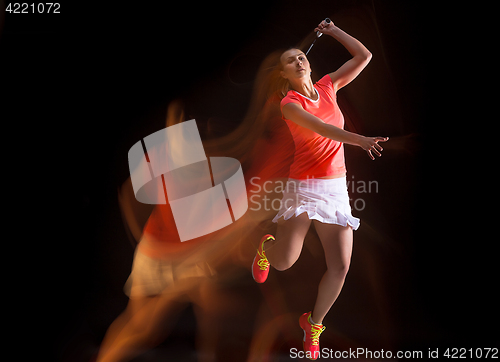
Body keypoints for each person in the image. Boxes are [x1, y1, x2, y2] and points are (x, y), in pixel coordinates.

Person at [251, 19, 389, 360]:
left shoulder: (329, 86)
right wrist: (359, 140)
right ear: (283, 73)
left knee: (341, 265)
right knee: (284, 263)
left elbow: (364, 55)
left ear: (309, 63)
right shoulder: (290, 105)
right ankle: (268, 247)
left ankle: (312, 324)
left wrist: (335, 31)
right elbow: (322, 128)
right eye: (290, 60)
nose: (298, 61)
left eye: (301, 57)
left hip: (335, 189)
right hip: (303, 187)